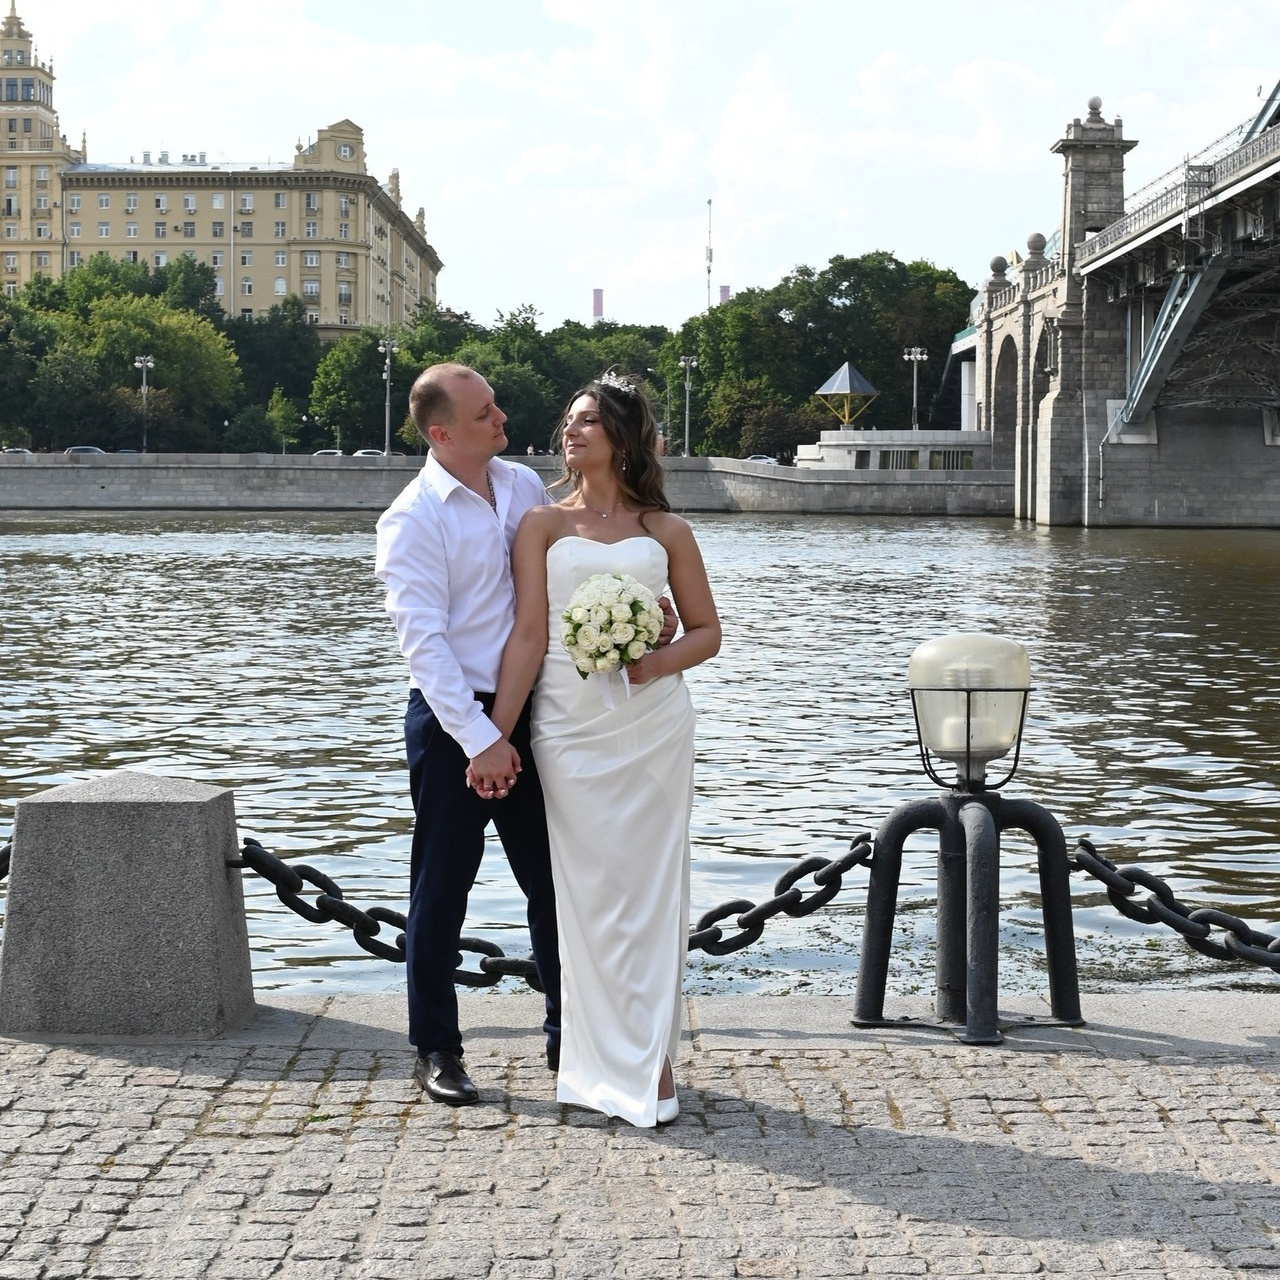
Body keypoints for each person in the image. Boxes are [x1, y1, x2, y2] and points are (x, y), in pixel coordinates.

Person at [471, 371, 721, 1127]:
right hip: (569, 733)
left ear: (622, 437)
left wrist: (651, 660)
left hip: (652, 730)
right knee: (586, 897)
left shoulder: (666, 531)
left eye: (588, 422)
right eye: (569, 422)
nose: (571, 433)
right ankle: (593, 1059)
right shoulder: (543, 526)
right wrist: (494, 737)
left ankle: (655, 1059)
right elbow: (527, 636)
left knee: (649, 895)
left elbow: (708, 632)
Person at [373, 362, 562, 1108]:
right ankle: (437, 1050)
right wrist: (482, 739)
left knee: (551, 882)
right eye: (485, 412)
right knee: (441, 887)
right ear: (442, 432)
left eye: (497, 406)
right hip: (453, 720)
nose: (503, 417)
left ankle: (568, 1036)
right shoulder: (412, 518)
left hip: (530, 708)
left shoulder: (522, 486)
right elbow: (424, 646)